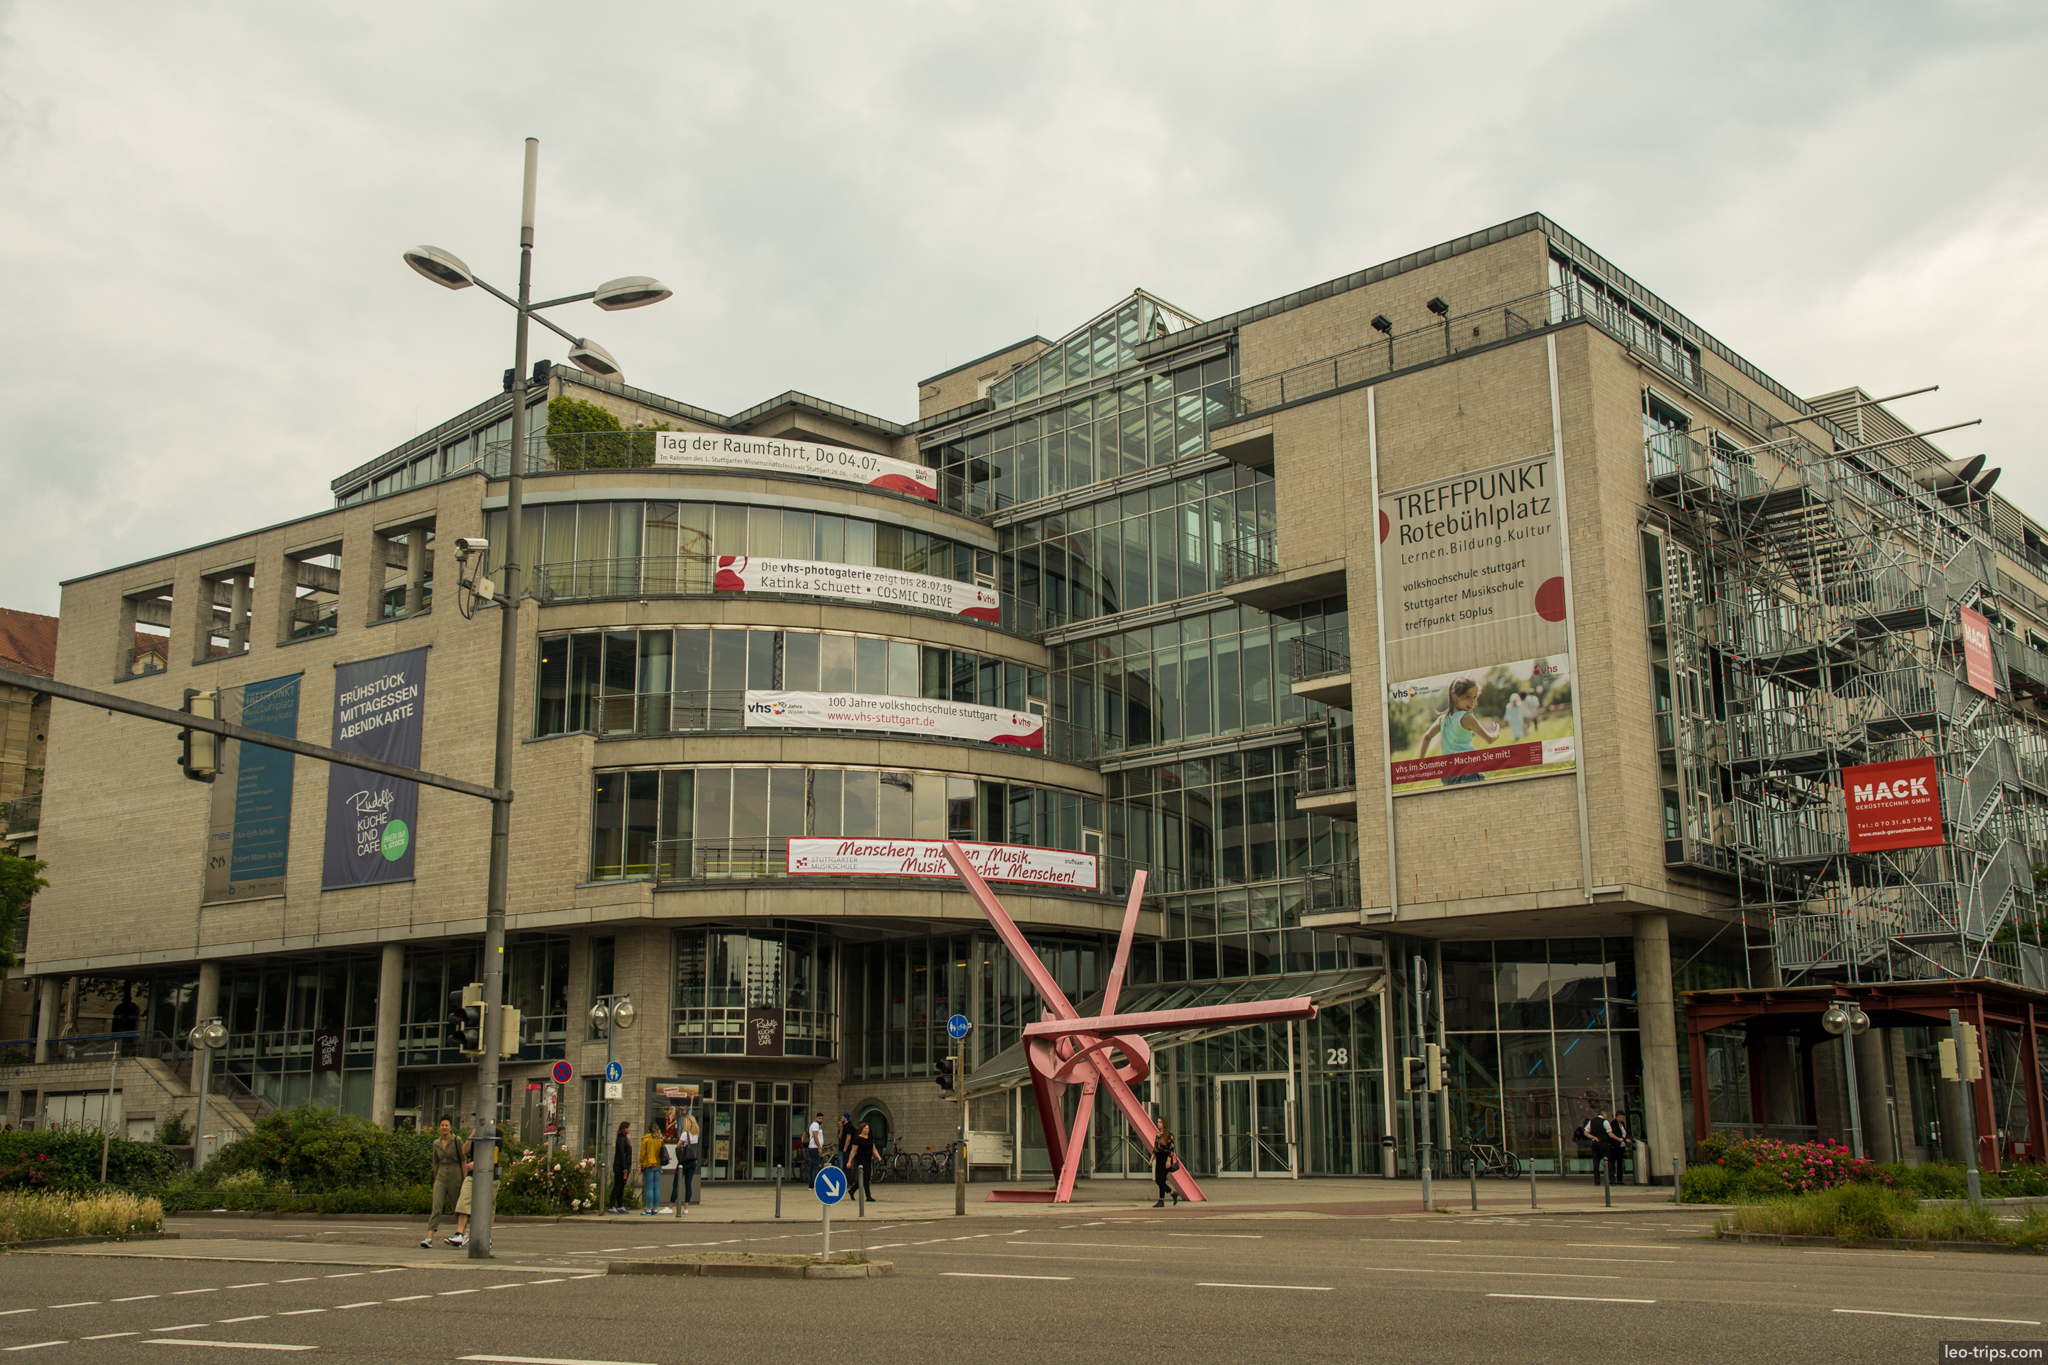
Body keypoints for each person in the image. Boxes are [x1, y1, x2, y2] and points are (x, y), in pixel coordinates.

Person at [1417, 677, 1502, 785]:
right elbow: (1489, 739)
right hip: (1467, 770)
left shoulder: (1442, 718)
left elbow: (1427, 737)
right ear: (1456, 698)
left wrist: (1421, 762)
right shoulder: (1466, 717)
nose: (1473, 702)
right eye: (1468, 697)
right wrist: (1496, 732)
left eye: (1475, 697)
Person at [421, 1116, 464, 1248]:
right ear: (439, 1127)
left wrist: (464, 1179)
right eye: (442, 1125)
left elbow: (463, 1160)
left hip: (455, 1173)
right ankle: (429, 1236)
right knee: (437, 1206)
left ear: (450, 1127)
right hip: (441, 1175)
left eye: (446, 1125)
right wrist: (435, 1179)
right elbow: (435, 1162)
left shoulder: (457, 1140)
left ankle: (461, 1233)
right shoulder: (436, 1143)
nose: (444, 1128)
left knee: (456, 1206)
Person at [674, 1102, 701, 1214]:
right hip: (693, 1161)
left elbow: (678, 1146)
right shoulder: (696, 1134)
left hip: (684, 1160)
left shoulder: (685, 1134)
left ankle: (672, 1204)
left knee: (676, 1182)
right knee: (688, 1184)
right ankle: (686, 1207)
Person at [846, 1121, 879, 1202]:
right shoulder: (857, 1139)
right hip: (861, 1159)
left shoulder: (870, 1138)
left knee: (865, 1178)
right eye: (866, 1129)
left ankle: (852, 1190)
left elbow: (873, 1149)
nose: (867, 1130)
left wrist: (879, 1158)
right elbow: (853, 1151)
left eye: (868, 1128)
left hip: (868, 1159)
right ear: (862, 1129)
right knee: (866, 1176)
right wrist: (849, 1161)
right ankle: (868, 1196)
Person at [639, 1119, 665, 1214]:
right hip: (658, 1165)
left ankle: (648, 1208)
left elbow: (643, 1153)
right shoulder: (660, 1139)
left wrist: (641, 1163)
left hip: (649, 1164)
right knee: (656, 1187)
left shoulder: (646, 1139)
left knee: (649, 1187)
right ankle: (655, 1208)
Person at [1152, 1124, 1179, 1208]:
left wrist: (1168, 1160)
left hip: (1166, 1158)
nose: (1158, 1124)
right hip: (1159, 1158)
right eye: (1158, 1122)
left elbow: (1171, 1149)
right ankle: (1172, 1193)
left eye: (1160, 1122)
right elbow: (1155, 1149)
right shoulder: (1158, 1135)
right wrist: (1151, 1160)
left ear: (1164, 1123)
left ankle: (1161, 1200)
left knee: (1161, 1180)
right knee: (1158, 1180)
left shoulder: (1169, 1135)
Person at [610, 1119, 634, 1215]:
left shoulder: (626, 1139)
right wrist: (624, 1167)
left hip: (626, 1165)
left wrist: (629, 1166)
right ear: (624, 1129)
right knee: (617, 1185)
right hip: (620, 1166)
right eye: (628, 1127)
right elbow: (621, 1154)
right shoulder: (620, 1139)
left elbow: (628, 1154)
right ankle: (612, 1205)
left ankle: (620, 1205)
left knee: (622, 1186)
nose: (630, 1129)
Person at [1605, 1111, 1631, 1186]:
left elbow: (1625, 1133)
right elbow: (1615, 1134)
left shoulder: (1622, 1124)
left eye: (1622, 1117)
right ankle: (1612, 1179)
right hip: (1615, 1146)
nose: (1621, 1119)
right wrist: (1624, 1139)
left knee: (1620, 1163)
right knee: (1612, 1163)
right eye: (1620, 1117)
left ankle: (1619, 1179)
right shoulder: (1613, 1124)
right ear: (1616, 1117)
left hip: (1622, 1146)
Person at [804, 1112, 825, 1183]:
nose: (821, 1120)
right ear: (816, 1118)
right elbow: (815, 1136)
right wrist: (819, 1147)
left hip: (813, 1147)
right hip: (814, 1148)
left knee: (812, 1166)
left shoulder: (815, 1125)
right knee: (815, 1166)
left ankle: (811, 1183)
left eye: (822, 1118)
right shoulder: (815, 1125)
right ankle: (814, 1182)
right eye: (819, 1118)